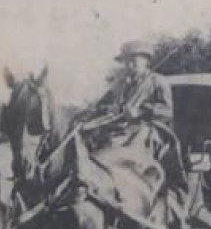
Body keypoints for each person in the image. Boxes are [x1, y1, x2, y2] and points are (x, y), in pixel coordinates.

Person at [80, 40, 188, 197]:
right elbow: (102, 105)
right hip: (120, 129)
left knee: (128, 145)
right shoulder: (121, 85)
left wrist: (141, 112)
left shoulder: (157, 81)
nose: (130, 65)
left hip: (147, 130)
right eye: (127, 61)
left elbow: (167, 111)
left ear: (145, 61)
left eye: (134, 61)